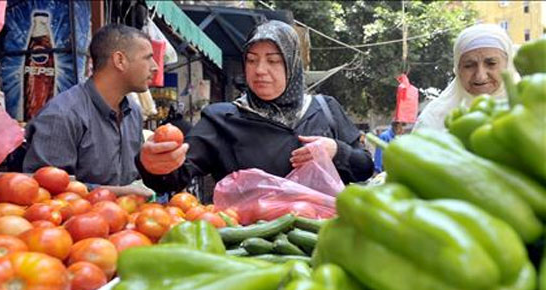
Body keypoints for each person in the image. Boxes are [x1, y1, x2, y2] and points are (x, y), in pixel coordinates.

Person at [136, 20, 373, 195]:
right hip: (249, 249)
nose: (260, 70)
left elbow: (365, 168)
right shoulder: (222, 119)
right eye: (251, 60)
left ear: (292, 65)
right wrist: (151, 164)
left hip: (321, 243)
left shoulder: (325, 109)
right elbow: (172, 178)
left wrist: (336, 150)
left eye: (273, 60)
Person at [23, 24, 157, 197]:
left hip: (125, 220)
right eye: (147, 58)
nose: (155, 67)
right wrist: (119, 193)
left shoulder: (134, 112)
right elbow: (46, 191)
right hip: (72, 221)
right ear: (120, 60)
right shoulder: (62, 114)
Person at [413, 23, 518, 131]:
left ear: (508, 64)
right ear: (457, 69)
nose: (480, 76)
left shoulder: (526, 109)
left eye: (491, 63)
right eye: (469, 66)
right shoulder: (434, 119)